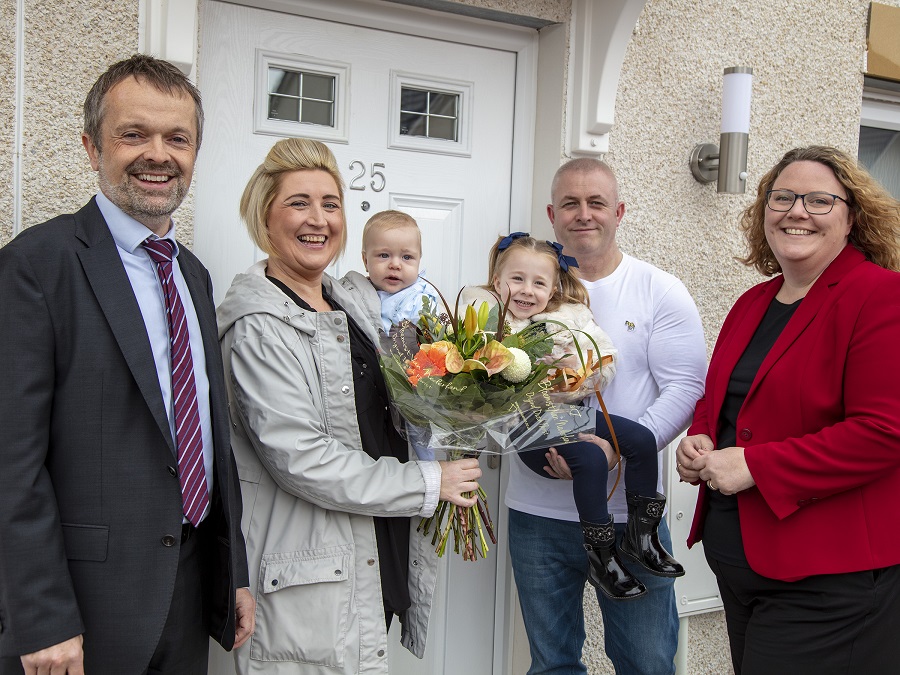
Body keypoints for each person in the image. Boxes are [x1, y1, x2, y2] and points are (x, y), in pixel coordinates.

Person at [0, 55, 254, 674]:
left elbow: (208, 439)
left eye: (178, 138)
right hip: (81, 614)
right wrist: (41, 616)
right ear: (92, 147)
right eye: (134, 134)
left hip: (188, 594)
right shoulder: (37, 265)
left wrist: (232, 574)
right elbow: (11, 460)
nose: (158, 154)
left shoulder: (192, 274)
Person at [217, 137, 482, 674]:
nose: (318, 219)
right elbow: (302, 459)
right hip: (310, 568)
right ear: (264, 216)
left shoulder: (352, 300)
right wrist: (430, 483)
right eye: (298, 203)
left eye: (331, 204)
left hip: (373, 546)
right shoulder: (259, 327)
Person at [676, 146, 900, 674]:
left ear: (852, 217)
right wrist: (701, 436)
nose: (797, 212)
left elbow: (884, 432)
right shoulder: (753, 302)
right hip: (742, 565)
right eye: (782, 198)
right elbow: (721, 396)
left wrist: (755, 464)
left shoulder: (881, 297)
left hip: (827, 581)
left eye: (819, 200)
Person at [505, 159, 706, 674]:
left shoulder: (659, 289)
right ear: (552, 213)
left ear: (618, 212)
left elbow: (685, 386)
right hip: (537, 517)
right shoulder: (520, 291)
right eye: (570, 203)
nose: (583, 214)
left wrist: (615, 447)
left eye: (596, 203)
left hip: (627, 516)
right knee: (552, 665)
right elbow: (488, 380)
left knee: (646, 663)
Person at [463, 233, 684, 601]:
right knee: (592, 458)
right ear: (498, 282)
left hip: (565, 415)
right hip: (526, 426)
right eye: (517, 279)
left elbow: (604, 359)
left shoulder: (567, 320)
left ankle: (641, 539)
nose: (527, 291)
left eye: (538, 283)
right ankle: (602, 554)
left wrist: (575, 371)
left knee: (642, 441)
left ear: (552, 291)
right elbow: (481, 384)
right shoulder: (484, 321)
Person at [348, 209, 439, 332]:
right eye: (384, 255)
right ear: (366, 261)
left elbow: (431, 341)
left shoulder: (420, 302)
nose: (395, 265)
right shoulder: (357, 292)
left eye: (407, 257)